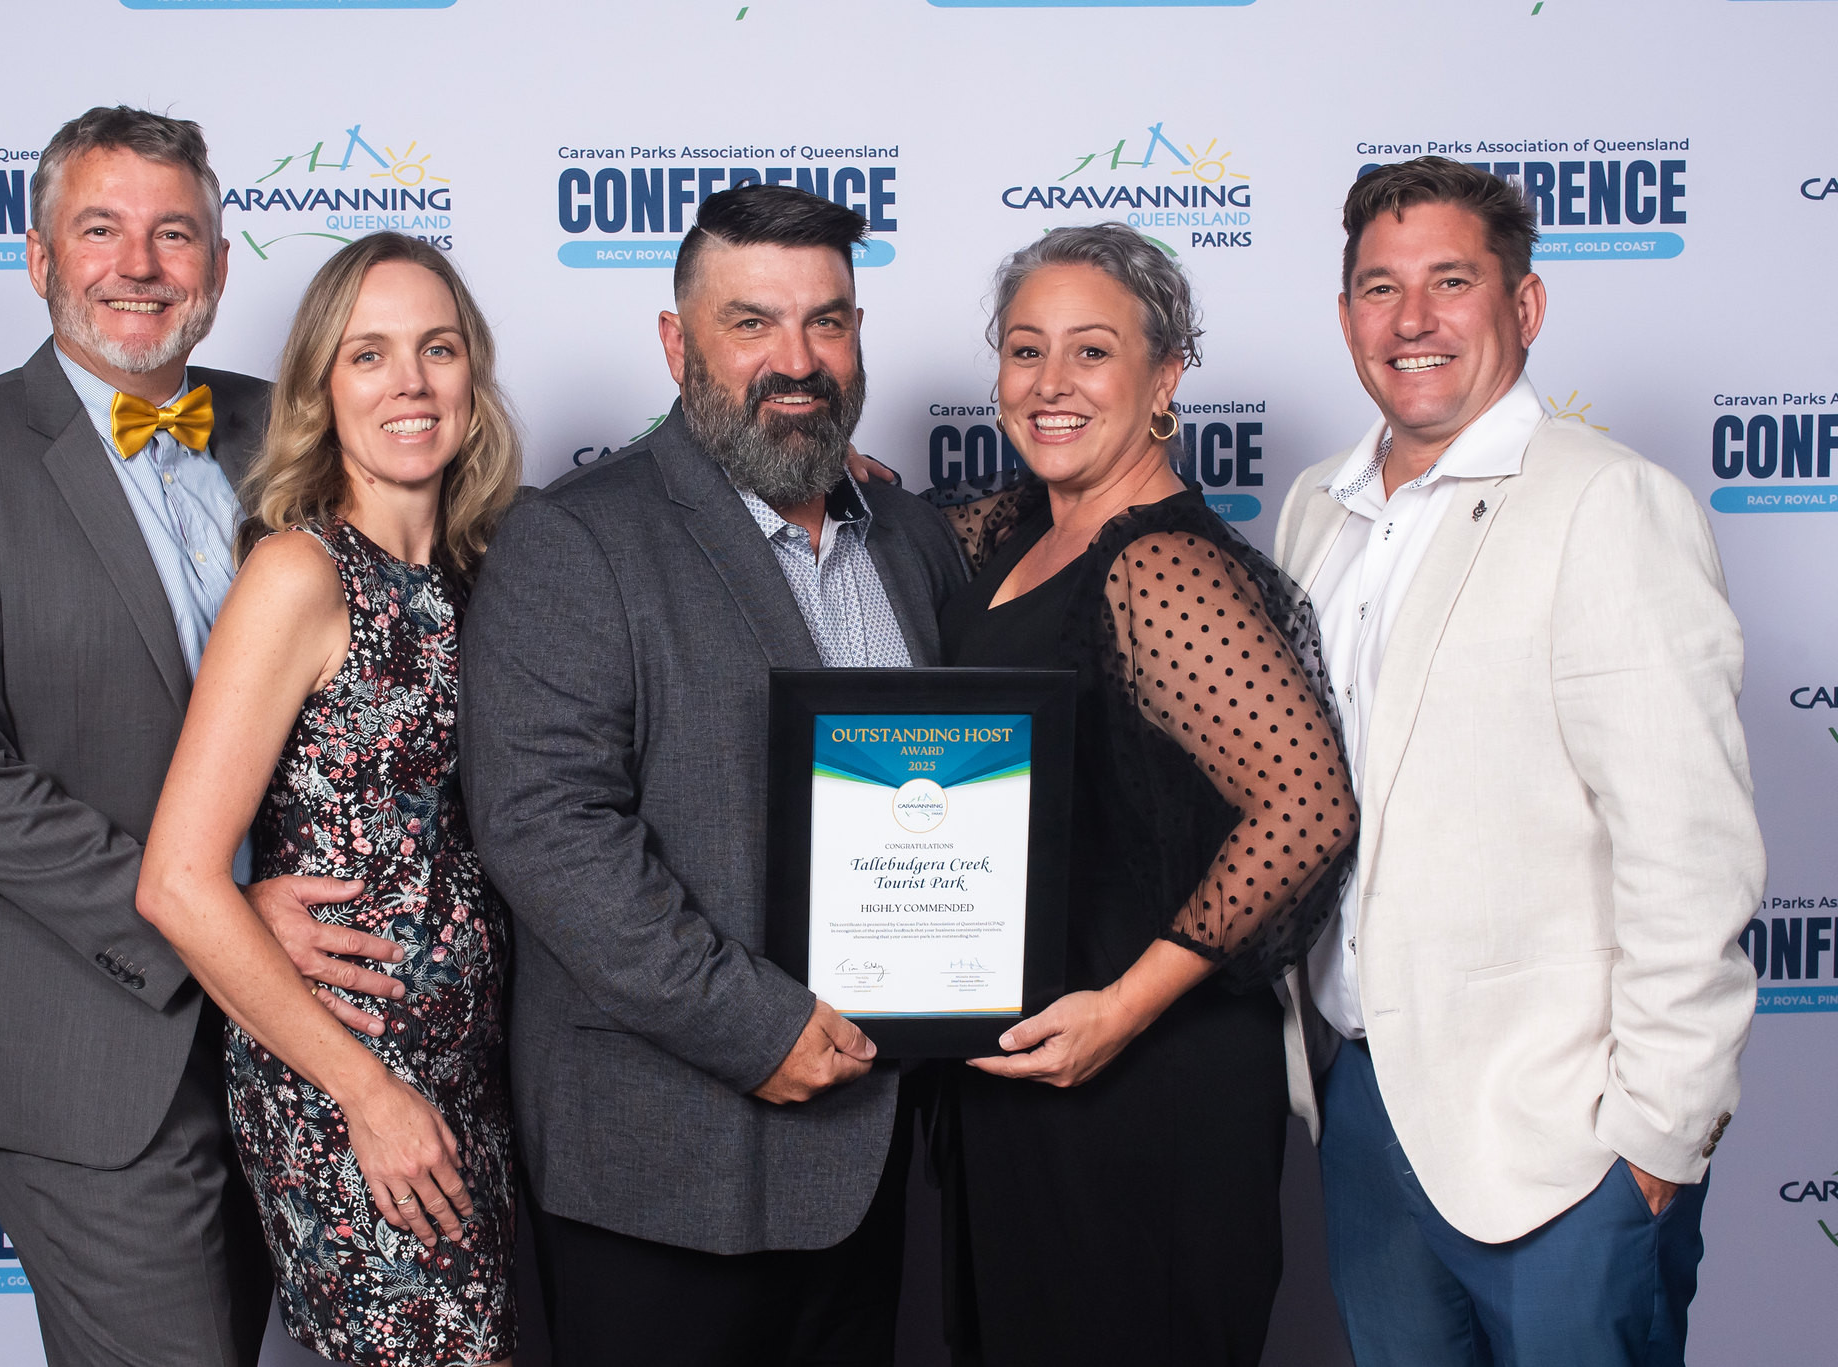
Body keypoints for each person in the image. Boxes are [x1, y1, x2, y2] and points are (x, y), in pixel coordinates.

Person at [0, 107, 404, 1367]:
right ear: (41, 257)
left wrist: (780, 477)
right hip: (93, 1045)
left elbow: (462, 527)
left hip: (304, 1032)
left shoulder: (293, 426)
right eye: (100, 229)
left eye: (176, 234)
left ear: (218, 266)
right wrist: (206, 908)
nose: (140, 265)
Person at [461, 183, 968, 1367]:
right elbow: (549, 832)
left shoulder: (910, 536)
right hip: (667, 1162)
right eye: (751, 323)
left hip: (872, 1149)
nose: (795, 361)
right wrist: (756, 1024)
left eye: (827, 321)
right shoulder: (576, 538)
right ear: (675, 341)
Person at [1276, 156, 1762, 1366]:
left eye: (1451, 281)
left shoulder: (1605, 505)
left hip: (1560, 1137)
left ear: (1524, 306)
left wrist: (1651, 1139)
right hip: (1364, 1104)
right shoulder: (1309, 511)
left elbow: (1686, 846)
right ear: (1344, 318)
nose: (1412, 319)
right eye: (1379, 288)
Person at [921, 222, 1355, 1365]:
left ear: (1164, 376)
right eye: (1024, 351)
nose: (1050, 384)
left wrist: (1121, 1006)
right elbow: (867, 533)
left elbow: (1306, 805)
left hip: (1140, 1084)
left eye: (1090, 352)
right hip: (1021, 1076)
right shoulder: (1007, 528)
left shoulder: (1161, 564)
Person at [135, 232, 522, 1366]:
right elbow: (178, 879)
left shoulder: (491, 560)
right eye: (368, 355)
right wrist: (367, 1094)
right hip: (349, 1083)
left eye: (436, 349)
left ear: (471, 376)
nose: (409, 382)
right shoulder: (299, 574)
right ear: (319, 388)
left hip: (473, 1075)